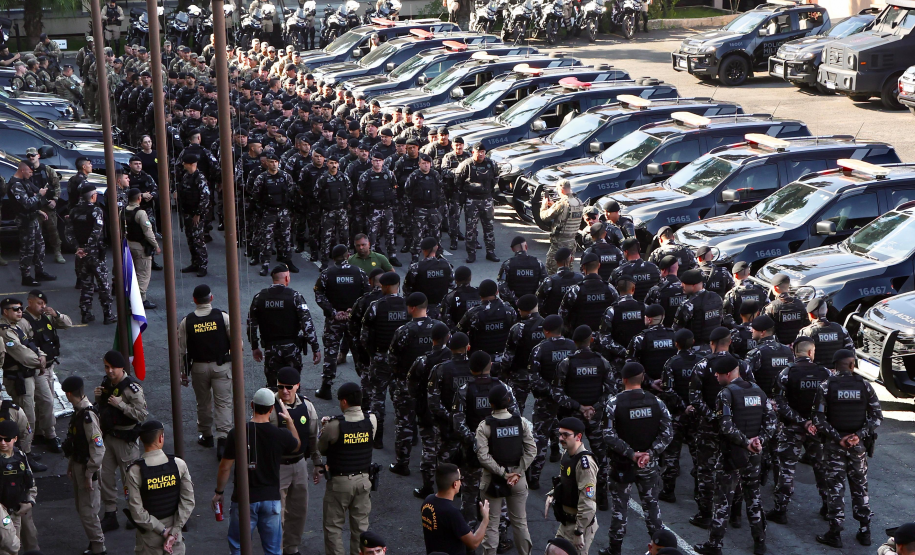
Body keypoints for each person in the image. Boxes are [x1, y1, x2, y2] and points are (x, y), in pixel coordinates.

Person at [694, 355, 775, 555]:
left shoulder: (726, 394)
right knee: (753, 496)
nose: (715, 376)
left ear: (728, 374)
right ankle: (760, 541)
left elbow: (726, 426)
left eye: (719, 374)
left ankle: (714, 545)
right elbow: (772, 423)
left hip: (733, 453)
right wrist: (759, 441)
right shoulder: (758, 392)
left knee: (722, 500)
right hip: (754, 454)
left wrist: (746, 443)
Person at [214, 388, 301, 555]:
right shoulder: (279, 435)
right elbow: (296, 444)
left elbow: (225, 466)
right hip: (271, 499)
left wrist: (219, 492)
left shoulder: (236, 433)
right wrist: (289, 422)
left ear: (252, 405)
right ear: (271, 409)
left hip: (244, 499)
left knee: (238, 545)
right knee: (273, 549)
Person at [813, 349, 882, 549]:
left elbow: (818, 419)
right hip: (857, 447)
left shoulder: (826, 387)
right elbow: (877, 417)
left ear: (834, 366)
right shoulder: (864, 386)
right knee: (860, 487)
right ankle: (865, 530)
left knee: (835, 488)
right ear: (852, 365)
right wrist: (857, 436)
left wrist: (838, 437)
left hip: (835, 447)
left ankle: (835, 532)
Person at [601, 362, 672, 555]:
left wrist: (632, 453)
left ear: (624, 380)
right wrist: (649, 453)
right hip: (648, 464)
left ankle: (614, 549)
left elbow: (608, 435)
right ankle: (662, 549)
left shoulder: (614, 403)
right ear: (642, 378)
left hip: (623, 464)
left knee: (619, 508)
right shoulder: (656, 402)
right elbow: (667, 434)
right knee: (652, 507)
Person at [767, 337, 830, 523]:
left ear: (795, 353)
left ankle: (780, 510)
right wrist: (814, 422)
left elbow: (780, 403)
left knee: (786, 470)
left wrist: (802, 422)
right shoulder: (825, 373)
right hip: (817, 430)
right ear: (811, 352)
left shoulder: (786, 373)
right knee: (822, 468)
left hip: (792, 429)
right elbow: (830, 402)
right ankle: (828, 506)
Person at [388, 292, 445, 476]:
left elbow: (393, 359)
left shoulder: (404, 331)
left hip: (407, 384)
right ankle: (433, 467)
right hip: (435, 387)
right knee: (431, 428)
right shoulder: (439, 328)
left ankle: (402, 463)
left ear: (411, 308)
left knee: (404, 424)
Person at [476, 383, 536, 555]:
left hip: (492, 481)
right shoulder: (521, 422)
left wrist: (503, 473)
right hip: (518, 480)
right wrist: (518, 471)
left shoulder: (484, 426)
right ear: (509, 400)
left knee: (491, 524)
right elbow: (532, 450)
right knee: (520, 522)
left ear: (491, 404)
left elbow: (483, 456)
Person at [318, 383, 377, 555]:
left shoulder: (334, 425)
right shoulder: (371, 420)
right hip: (364, 480)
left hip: (339, 482)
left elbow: (322, 448)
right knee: (361, 527)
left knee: (333, 527)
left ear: (344, 402)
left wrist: (324, 427)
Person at [270, 367, 323, 555]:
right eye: (280, 387)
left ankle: (291, 548)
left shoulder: (307, 407)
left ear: (298, 386)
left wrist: (317, 463)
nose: (285, 391)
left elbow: (313, 437)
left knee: (299, 510)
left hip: (300, 464)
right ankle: (277, 548)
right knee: (277, 513)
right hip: (278, 466)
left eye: (289, 387)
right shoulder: (271, 408)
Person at [178, 284, 233, 459]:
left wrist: (182, 372)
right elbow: (236, 343)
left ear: (195, 300)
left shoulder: (187, 321)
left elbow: (181, 350)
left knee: (203, 402)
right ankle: (223, 439)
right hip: (221, 366)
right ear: (211, 298)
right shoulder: (222, 317)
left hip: (199, 368)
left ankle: (206, 435)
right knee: (223, 403)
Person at [96, 350, 149, 533]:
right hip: (109, 437)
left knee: (131, 479)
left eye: (113, 367)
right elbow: (102, 407)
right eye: (106, 367)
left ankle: (136, 513)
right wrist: (99, 398)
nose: (109, 371)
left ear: (122, 368)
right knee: (106, 477)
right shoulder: (106, 382)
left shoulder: (131, 388)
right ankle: (111, 513)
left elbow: (141, 414)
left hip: (126, 440)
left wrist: (121, 405)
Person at [125, 420, 195, 555]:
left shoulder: (134, 471)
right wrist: (174, 532)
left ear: (141, 439)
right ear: (161, 437)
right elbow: (188, 501)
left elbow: (136, 511)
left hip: (148, 538)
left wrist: (162, 530)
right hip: (175, 535)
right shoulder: (178, 464)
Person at [247, 264, 322, 388]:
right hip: (291, 348)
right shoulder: (294, 296)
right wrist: (315, 347)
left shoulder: (260, 297)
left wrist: (255, 347)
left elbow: (251, 325)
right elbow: (307, 324)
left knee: (273, 386)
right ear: (287, 277)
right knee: (292, 386)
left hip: (271, 348)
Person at [360, 272, 411, 449]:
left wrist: (373, 354)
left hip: (381, 357)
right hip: (402, 360)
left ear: (387, 286)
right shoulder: (408, 306)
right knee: (402, 398)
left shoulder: (376, 306)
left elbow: (364, 336)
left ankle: (377, 436)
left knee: (378, 397)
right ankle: (408, 434)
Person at [314, 244, 370, 399]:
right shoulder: (359, 272)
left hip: (334, 320)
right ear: (348, 255)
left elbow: (318, 294)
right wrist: (353, 310)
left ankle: (326, 387)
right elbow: (367, 293)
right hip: (353, 320)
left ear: (333, 258)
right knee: (359, 352)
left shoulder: (327, 273)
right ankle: (366, 388)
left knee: (331, 352)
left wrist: (333, 312)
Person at [527, 315, 576, 489]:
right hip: (569, 400)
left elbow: (533, 378)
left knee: (540, 438)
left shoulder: (540, 349)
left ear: (545, 331)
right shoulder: (572, 346)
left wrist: (551, 391)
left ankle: (534, 477)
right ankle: (573, 473)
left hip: (546, 400)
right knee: (569, 434)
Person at [61, 375, 107, 555]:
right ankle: (94, 542)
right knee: (82, 508)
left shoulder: (87, 417)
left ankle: (98, 546)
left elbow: (98, 449)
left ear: (69, 394)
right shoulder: (79, 413)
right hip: (81, 465)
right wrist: (72, 464)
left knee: (88, 511)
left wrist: (89, 474)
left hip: (88, 469)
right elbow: (75, 442)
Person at [407, 321, 453, 497]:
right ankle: (449, 488)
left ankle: (428, 486)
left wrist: (418, 399)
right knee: (447, 452)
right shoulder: (454, 360)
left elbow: (411, 383)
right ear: (447, 338)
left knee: (429, 450)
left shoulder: (423, 360)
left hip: (427, 411)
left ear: (432, 339)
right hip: (449, 413)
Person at [658, 329, 701, 502]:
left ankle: (668, 491)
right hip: (697, 415)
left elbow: (667, 390)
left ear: (676, 344)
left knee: (671, 454)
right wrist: (693, 406)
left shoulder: (671, 363)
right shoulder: (702, 362)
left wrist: (683, 407)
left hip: (677, 416)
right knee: (698, 455)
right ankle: (700, 491)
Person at [551, 416, 599, 555]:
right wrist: (552, 494)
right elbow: (565, 480)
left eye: (566, 435)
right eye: (560, 434)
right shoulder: (567, 454)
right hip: (565, 522)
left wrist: (579, 532)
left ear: (578, 436)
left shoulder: (585, 464)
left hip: (578, 525)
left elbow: (588, 501)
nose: (561, 438)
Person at [422, 463, 490, 555]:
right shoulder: (451, 513)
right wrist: (485, 519)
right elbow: (473, 543)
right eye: (460, 479)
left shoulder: (427, 501)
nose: (461, 482)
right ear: (455, 484)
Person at [250, 151, 298, 276]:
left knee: (286, 238)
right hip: (268, 212)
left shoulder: (286, 177)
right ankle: (265, 264)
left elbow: (291, 192)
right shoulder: (262, 178)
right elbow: (255, 195)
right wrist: (262, 209)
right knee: (266, 239)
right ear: (267, 163)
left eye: (276, 162)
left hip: (283, 211)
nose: (274, 164)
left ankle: (287, 261)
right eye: (271, 162)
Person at [8, 160, 55, 287]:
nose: (31, 174)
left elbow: (31, 200)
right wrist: (40, 195)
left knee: (40, 246)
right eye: (29, 171)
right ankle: (26, 276)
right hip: (25, 221)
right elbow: (27, 203)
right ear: (22, 170)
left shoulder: (25, 181)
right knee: (27, 249)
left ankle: (39, 271)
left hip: (33, 218)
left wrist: (38, 210)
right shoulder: (15, 184)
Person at [457, 279, 517, 377]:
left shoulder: (473, 313)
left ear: (479, 294)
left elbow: (459, 333)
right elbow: (515, 333)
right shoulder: (509, 310)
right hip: (503, 360)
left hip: (480, 361)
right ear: (497, 292)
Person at [455, 142, 499, 263]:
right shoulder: (466, 165)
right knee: (471, 228)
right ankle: (471, 254)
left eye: (483, 152)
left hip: (486, 199)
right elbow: (458, 181)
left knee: (489, 227)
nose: (481, 154)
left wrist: (488, 190)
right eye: (478, 152)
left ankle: (490, 252)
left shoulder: (491, 164)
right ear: (473, 152)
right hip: (472, 200)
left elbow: (496, 177)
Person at [501, 294, 543, 415]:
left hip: (520, 374)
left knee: (515, 409)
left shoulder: (518, 328)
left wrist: (504, 373)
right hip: (541, 375)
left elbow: (508, 357)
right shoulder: (547, 326)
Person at [0, 418, 38, 553]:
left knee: (14, 547)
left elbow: (30, 482)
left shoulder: (20, 456)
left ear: (15, 439)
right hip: (2, 515)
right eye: (0, 439)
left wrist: (30, 502)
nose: (3, 443)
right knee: (8, 545)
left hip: (16, 511)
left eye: (7, 439)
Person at [559, 253, 618, 337]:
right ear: (599, 265)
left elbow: (562, 314)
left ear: (583, 268)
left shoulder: (575, 290)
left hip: (581, 338)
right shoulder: (610, 288)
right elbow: (617, 310)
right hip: (603, 338)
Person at [25, 147, 64, 265]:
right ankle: (37, 256)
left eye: (33, 155)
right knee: (35, 233)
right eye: (28, 156)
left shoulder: (47, 170)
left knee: (53, 231)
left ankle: (58, 252)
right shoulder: (26, 171)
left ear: (38, 156)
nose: (31, 157)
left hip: (48, 206)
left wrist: (55, 200)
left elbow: (57, 186)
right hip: (34, 207)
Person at [124, 188, 160, 309]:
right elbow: (148, 232)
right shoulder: (141, 213)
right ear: (139, 198)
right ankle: (139, 300)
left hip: (128, 245)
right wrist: (156, 245)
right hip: (140, 247)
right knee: (143, 274)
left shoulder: (122, 211)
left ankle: (132, 298)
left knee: (132, 273)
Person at [176, 153, 210, 277]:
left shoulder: (199, 178)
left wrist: (198, 214)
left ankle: (202, 266)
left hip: (196, 214)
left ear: (191, 164)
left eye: (185, 163)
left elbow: (205, 197)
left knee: (198, 240)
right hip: (187, 213)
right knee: (190, 239)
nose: (183, 165)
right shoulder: (186, 176)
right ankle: (195, 263)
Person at [540, 179, 583, 275]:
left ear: (561, 190)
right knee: (568, 270)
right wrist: (553, 206)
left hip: (559, 243)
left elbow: (544, 217)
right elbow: (568, 215)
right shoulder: (579, 202)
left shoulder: (561, 204)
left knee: (551, 269)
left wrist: (544, 206)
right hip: (571, 242)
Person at [404, 238, 454, 321]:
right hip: (441, 309)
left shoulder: (416, 267)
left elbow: (407, 289)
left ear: (423, 250)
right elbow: (452, 284)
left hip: (421, 309)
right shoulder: (446, 265)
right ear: (437, 247)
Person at [798, 297, 853, 370]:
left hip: (816, 375)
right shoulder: (841, 329)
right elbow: (851, 353)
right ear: (826, 311)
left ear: (810, 315)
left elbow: (800, 358)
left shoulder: (806, 332)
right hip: (838, 375)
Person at [673, 269, 723, 345]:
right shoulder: (717, 298)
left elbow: (676, 330)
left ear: (694, 285)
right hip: (715, 346)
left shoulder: (688, 305)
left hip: (695, 349)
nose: (681, 285)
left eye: (684, 284)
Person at [497, 236, 546, 309]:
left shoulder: (508, 264)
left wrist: (515, 300)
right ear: (526, 246)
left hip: (513, 307)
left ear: (513, 249)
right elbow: (545, 285)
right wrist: (534, 300)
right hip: (533, 306)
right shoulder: (538, 263)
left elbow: (502, 287)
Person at [536, 248, 582, 317]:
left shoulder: (550, 281)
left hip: (553, 320)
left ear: (556, 262)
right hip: (574, 322)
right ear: (571, 259)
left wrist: (545, 315)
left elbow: (538, 300)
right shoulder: (580, 278)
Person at [610, 238, 660, 302]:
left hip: (629, 309)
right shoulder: (654, 268)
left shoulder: (618, 272)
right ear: (639, 249)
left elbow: (612, 293)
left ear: (626, 252)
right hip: (650, 310)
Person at [763, 273, 807, 345]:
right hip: (798, 346)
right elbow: (807, 325)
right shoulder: (801, 305)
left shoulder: (771, 307)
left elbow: (765, 328)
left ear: (775, 288)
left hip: (779, 347)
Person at [645, 256, 687, 328]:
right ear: (677, 268)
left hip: (662, 331)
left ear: (663, 270)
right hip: (681, 330)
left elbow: (647, 309)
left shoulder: (656, 289)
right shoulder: (686, 288)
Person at [721, 261, 768, 326]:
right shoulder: (761, 290)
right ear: (748, 274)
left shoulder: (732, 294)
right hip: (759, 331)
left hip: (740, 333)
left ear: (735, 275)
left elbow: (726, 317)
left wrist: (738, 328)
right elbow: (767, 312)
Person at [439, 266, 481, 331]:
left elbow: (444, 318)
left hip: (459, 336)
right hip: (478, 333)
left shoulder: (450, 296)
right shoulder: (480, 293)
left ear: (456, 280)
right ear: (470, 278)